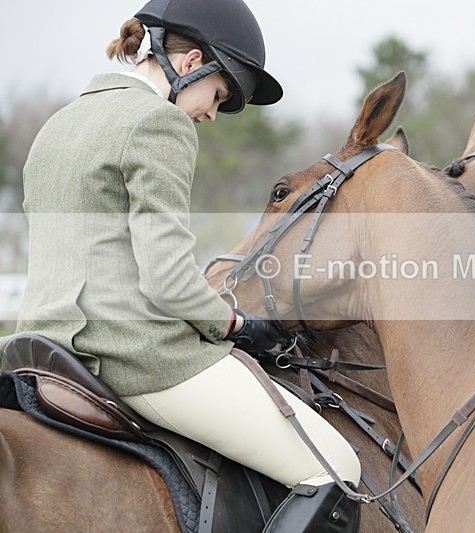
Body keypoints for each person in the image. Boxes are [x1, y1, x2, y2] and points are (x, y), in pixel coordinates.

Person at [0, 0, 361, 531]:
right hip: (135, 356)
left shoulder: (61, 122)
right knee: (336, 468)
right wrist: (235, 324)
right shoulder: (158, 124)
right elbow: (167, 280)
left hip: (41, 351)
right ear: (191, 63)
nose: (212, 114)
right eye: (218, 96)